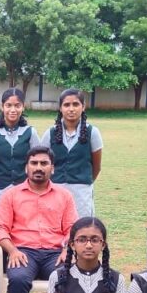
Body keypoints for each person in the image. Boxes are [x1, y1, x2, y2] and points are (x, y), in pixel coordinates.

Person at [0, 146, 79, 293]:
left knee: (67, 277)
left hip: (54, 253)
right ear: (26, 167)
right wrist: (12, 250)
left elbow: (72, 228)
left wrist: (67, 249)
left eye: (44, 163)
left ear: (52, 168)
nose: (38, 168)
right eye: (34, 163)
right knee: (18, 279)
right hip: (23, 252)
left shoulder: (64, 196)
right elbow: (0, 228)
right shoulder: (11, 195)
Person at [0, 88, 38, 238]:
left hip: (23, 190)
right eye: (8, 105)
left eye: (17, 105)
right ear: (2, 107)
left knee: (21, 231)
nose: (13, 110)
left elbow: (37, 162)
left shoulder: (30, 132)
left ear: (23, 107)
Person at [37, 89, 102, 217]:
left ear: (83, 107)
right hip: (55, 189)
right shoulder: (50, 133)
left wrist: (83, 180)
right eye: (66, 105)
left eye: (75, 104)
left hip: (81, 191)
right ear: (60, 108)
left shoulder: (92, 132)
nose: (71, 109)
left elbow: (96, 167)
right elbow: (42, 161)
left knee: (81, 225)